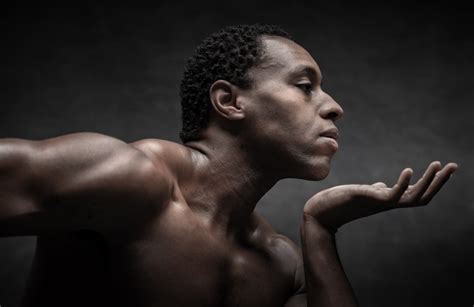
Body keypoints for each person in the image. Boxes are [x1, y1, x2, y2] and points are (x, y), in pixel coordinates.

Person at [0, 24, 457, 307]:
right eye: (305, 85)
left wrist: (321, 230)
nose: (334, 107)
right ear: (229, 101)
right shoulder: (128, 177)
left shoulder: (279, 265)